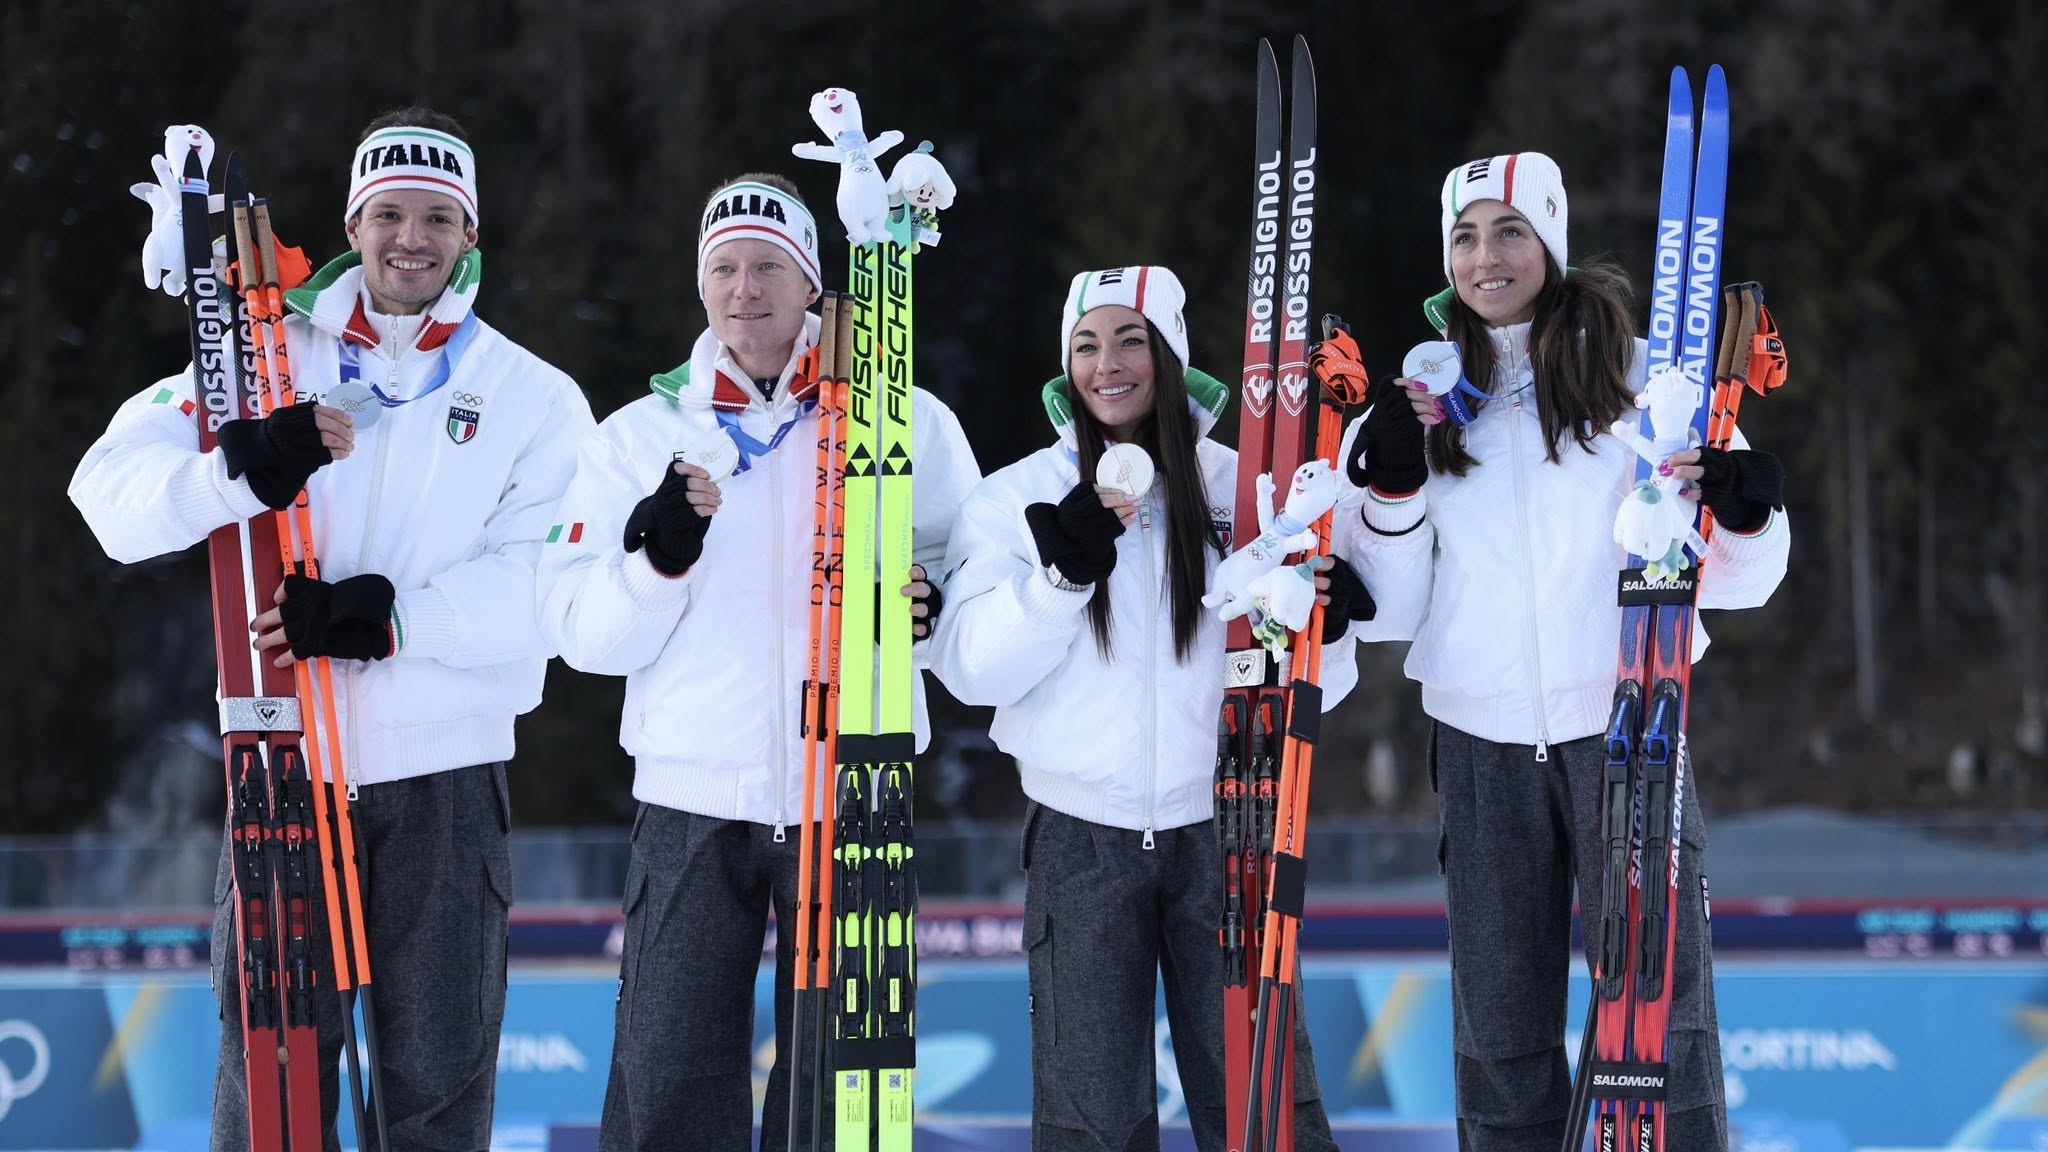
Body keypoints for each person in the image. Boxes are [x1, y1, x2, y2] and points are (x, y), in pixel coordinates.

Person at [70, 107, 596, 1150]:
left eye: (437, 218)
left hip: (445, 777)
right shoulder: (265, 354)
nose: (412, 239)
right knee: (271, 1077)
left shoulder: (532, 394)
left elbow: (554, 584)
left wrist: (396, 620)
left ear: (469, 233)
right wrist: (234, 474)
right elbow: (108, 498)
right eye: (389, 214)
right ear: (354, 225)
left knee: (439, 1081)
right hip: (284, 763)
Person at [1341, 152, 1789, 1150]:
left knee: (1660, 1029)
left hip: (1626, 721)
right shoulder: (1417, 398)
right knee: (1498, 1039)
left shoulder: (1640, 378)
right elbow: (1387, 612)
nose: (1484, 256)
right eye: (1463, 236)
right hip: (1477, 740)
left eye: (1506, 231)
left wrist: (1746, 513)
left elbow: (1732, 574)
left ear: (1545, 239)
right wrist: (1391, 493)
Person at [535, 172, 981, 1151]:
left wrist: (934, 607)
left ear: (813, 284)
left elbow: (968, 574)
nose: (746, 288)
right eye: (726, 267)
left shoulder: (901, 419)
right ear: (701, 287)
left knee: (844, 1092)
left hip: (854, 782)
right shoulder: (637, 439)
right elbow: (578, 631)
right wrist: (654, 564)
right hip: (693, 793)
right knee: (668, 1077)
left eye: (769, 267)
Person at [930, 266, 1377, 1152]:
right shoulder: (1014, 496)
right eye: (1087, 345)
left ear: (1168, 353)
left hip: (1229, 823)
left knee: (1261, 1106)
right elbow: (971, 671)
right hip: (1080, 835)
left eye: (1130, 339)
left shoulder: (1245, 485)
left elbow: (1316, 673)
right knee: (1090, 1120)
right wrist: (1058, 582)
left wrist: (1326, 627)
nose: (1108, 364)